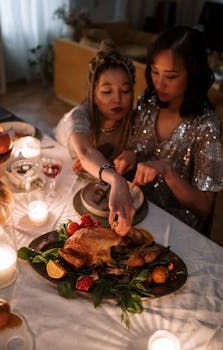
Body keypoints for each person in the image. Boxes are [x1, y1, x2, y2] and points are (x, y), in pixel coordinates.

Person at [113, 26, 223, 233]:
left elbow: (203, 208)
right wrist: (131, 153)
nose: (159, 84)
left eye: (171, 76)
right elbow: (135, 147)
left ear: (193, 75)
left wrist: (168, 172)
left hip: (173, 227)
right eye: (155, 72)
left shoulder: (206, 126)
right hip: (136, 210)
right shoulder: (147, 102)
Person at [55, 40, 136, 236]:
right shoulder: (80, 116)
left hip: (97, 191)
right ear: (93, 93)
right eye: (107, 91)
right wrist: (116, 179)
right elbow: (86, 151)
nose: (117, 99)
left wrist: (134, 153)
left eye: (125, 91)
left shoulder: (132, 120)